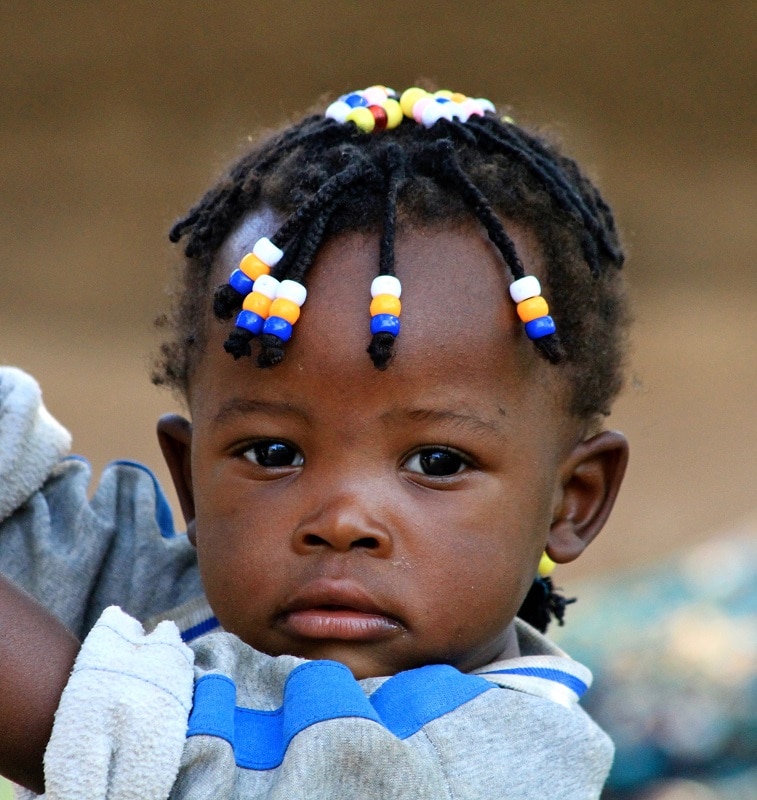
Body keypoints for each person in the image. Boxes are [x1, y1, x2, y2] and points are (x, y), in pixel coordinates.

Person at [0, 85, 630, 799]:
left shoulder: (505, 759)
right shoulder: (177, 607)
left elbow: (197, 776)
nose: (340, 521)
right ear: (189, 478)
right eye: (273, 454)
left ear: (569, 502)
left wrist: (42, 712)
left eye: (436, 462)